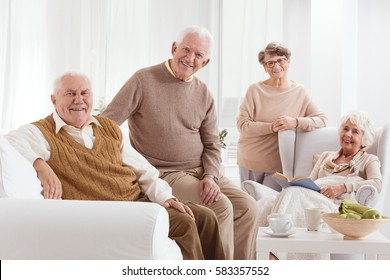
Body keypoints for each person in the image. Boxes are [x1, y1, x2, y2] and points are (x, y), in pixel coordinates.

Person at [5, 72, 226, 260]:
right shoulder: (42, 132)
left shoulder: (109, 127)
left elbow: (144, 171)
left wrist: (166, 198)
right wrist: (40, 164)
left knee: (206, 217)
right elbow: (9, 141)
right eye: (70, 93)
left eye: (84, 93)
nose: (78, 100)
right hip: (115, 213)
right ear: (54, 100)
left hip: (138, 200)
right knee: (185, 223)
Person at [101, 26, 259, 260]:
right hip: (166, 172)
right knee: (221, 207)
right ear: (174, 48)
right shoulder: (143, 80)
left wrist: (210, 176)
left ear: (205, 63)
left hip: (201, 172)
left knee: (249, 208)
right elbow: (106, 123)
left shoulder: (204, 93)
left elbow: (212, 143)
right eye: (186, 50)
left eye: (198, 55)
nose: (190, 58)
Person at [254, 110, 382, 258]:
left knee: (293, 193)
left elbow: (377, 183)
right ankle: (255, 256)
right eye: (345, 129)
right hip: (312, 198)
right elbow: (311, 183)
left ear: (364, 138)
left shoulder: (369, 159)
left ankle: (275, 255)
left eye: (355, 132)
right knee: (268, 202)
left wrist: (343, 187)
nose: (348, 134)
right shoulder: (325, 156)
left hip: (332, 205)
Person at [236, 42, 328, 191]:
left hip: (277, 166)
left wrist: (295, 122)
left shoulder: (300, 92)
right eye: (270, 63)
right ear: (265, 67)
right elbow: (242, 125)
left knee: (271, 205)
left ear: (288, 61)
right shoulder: (255, 90)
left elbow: (322, 120)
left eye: (280, 60)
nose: (276, 66)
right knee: (251, 207)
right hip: (249, 160)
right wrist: (271, 127)